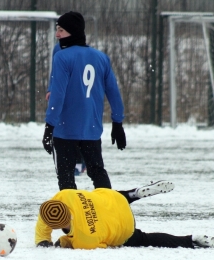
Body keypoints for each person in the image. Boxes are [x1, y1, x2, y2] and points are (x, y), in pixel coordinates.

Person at [42, 11, 126, 190]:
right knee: (97, 172)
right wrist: (117, 123)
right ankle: (108, 209)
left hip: (65, 130)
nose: (57, 34)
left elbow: (58, 96)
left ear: (72, 32)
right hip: (91, 129)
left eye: (61, 30)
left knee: (66, 177)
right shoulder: (101, 57)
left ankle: (72, 216)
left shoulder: (62, 57)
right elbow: (114, 93)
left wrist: (49, 127)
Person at [35, 180, 214, 249]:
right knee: (105, 196)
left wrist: (57, 241)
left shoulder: (84, 239)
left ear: (57, 225)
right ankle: (133, 194)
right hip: (115, 199)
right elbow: (46, 214)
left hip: (125, 227)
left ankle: (190, 240)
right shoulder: (64, 195)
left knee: (145, 239)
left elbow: (101, 245)